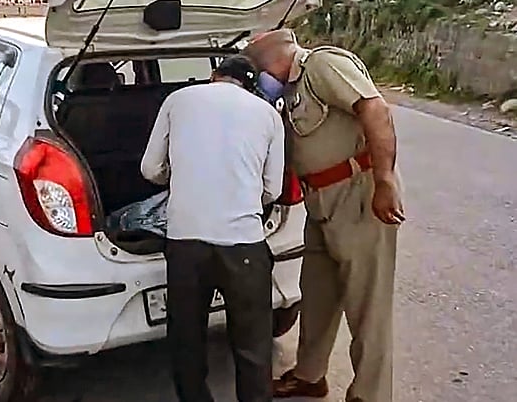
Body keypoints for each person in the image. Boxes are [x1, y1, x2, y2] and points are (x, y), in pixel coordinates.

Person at [242, 29, 405, 402]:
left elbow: (375, 109)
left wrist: (385, 180)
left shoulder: (322, 65)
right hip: (320, 202)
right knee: (317, 295)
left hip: (357, 193)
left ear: (273, 61)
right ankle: (310, 376)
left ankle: (370, 394)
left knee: (367, 305)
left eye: (259, 70)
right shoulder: (291, 90)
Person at [141, 55, 285, 402]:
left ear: (213, 75)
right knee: (252, 346)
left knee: (187, 339)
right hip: (244, 245)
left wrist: (180, 180)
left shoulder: (178, 100)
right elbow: (273, 189)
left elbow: (150, 168)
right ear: (249, 85)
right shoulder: (268, 115)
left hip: (186, 242)